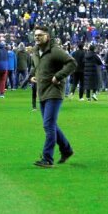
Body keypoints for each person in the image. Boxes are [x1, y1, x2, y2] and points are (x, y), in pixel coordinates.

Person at [30, 25, 77, 168]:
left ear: (48, 36)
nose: (37, 37)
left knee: (48, 125)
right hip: (42, 91)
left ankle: (47, 158)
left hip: (54, 91)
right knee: (51, 125)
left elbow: (72, 63)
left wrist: (58, 76)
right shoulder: (35, 51)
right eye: (35, 35)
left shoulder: (55, 51)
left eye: (40, 35)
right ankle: (66, 149)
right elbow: (37, 67)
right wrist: (34, 76)